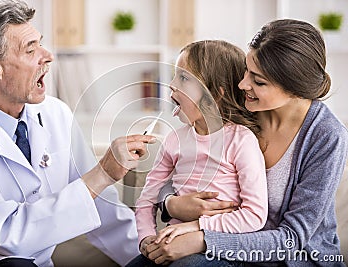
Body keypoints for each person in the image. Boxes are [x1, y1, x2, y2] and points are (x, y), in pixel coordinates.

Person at [0, 1, 156, 266]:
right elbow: (7, 234)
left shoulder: (55, 114)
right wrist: (102, 173)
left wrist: (148, 249)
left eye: (40, 44)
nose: (47, 56)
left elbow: (103, 209)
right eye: (30, 49)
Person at [141, 19, 348, 266]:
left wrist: (202, 239)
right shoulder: (241, 109)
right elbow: (179, 168)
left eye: (258, 81)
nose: (242, 85)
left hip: (290, 258)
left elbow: (292, 239)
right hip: (224, 247)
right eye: (246, 70)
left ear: (295, 90)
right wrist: (171, 205)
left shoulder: (326, 136)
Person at [128, 40, 268, 266]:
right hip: (172, 243)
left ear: (215, 95)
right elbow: (147, 199)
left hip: (220, 249)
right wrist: (146, 238)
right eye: (175, 76)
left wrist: (196, 226)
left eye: (183, 78)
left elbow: (254, 216)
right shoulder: (174, 140)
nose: (172, 85)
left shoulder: (241, 141)